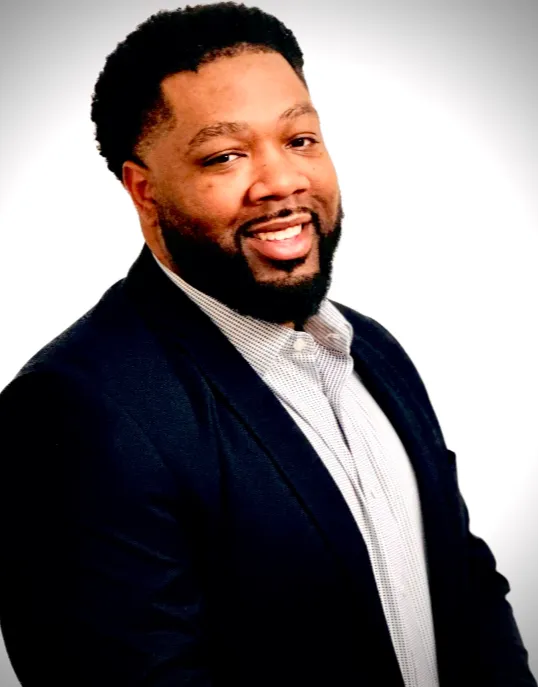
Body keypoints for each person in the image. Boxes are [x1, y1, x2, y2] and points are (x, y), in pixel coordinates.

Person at [0, 3, 535, 686]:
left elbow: (466, 585)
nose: (283, 181)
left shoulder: (373, 351)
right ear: (144, 190)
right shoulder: (75, 410)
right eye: (225, 156)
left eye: (300, 139)